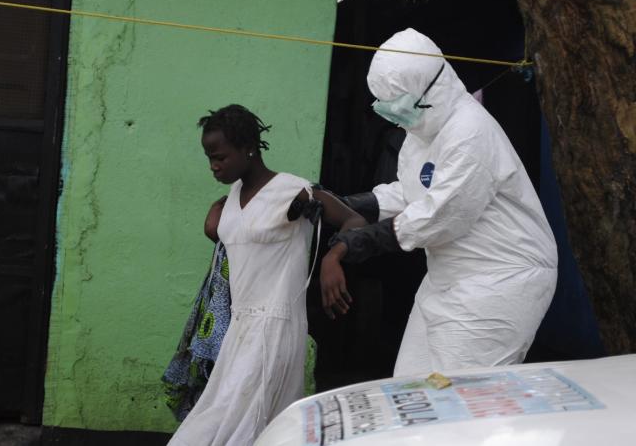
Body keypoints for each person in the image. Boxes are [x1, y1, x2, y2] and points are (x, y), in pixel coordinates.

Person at [319, 28, 558, 377]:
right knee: (411, 385)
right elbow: (410, 193)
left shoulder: (470, 132)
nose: (394, 117)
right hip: (449, 276)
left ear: (430, 89)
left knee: (457, 398)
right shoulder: (423, 132)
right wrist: (346, 203)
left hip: (500, 278)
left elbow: (440, 216)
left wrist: (350, 245)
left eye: (400, 105)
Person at [167, 104, 366, 446]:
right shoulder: (231, 197)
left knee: (227, 425)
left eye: (220, 157)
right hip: (240, 328)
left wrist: (332, 259)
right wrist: (214, 220)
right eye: (208, 158)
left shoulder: (293, 190)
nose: (213, 166)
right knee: (239, 425)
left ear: (248, 149)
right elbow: (234, 235)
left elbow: (355, 221)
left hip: (275, 327)